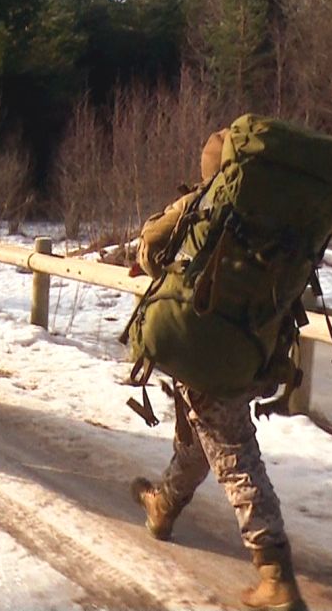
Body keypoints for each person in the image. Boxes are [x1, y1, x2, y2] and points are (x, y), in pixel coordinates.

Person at [130, 129, 309, 611]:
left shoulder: (204, 206)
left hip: (206, 349)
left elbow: (149, 249)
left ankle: (275, 573)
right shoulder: (286, 218)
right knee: (203, 432)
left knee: (234, 455)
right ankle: (163, 507)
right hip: (257, 350)